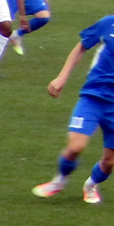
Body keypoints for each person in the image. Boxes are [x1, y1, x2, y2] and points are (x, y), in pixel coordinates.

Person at [32, 13, 114, 203]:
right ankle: (60, 180)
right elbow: (81, 46)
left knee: (109, 162)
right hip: (93, 97)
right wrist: (62, 77)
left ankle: (91, 185)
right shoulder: (109, 23)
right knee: (75, 147)